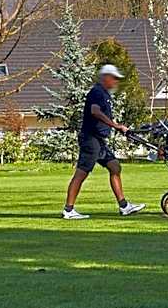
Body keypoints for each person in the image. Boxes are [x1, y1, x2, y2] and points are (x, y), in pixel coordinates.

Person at [62, 64, 145, 220]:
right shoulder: (97, 92)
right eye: (113, 78)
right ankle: (68, 210)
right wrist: (115, 125)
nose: (115, 82)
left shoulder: (105, 94)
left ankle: (124, 206)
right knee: (82, 173)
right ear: (105, 77)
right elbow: (95, 111)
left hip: (99, 140)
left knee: (115, 167)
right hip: (90, 139)